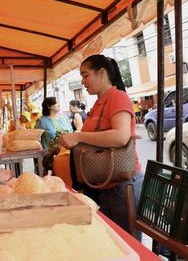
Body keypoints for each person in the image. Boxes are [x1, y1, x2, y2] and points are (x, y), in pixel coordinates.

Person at [60, 55, 143, 240]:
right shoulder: (98, 103)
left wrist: (78, 136)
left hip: (121, 185)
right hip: (103, 184)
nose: (82, 81)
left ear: (102, 73)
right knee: (112, 240)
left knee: (126, 241)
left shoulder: (117, 97)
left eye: (85, 75)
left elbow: (121, 137)